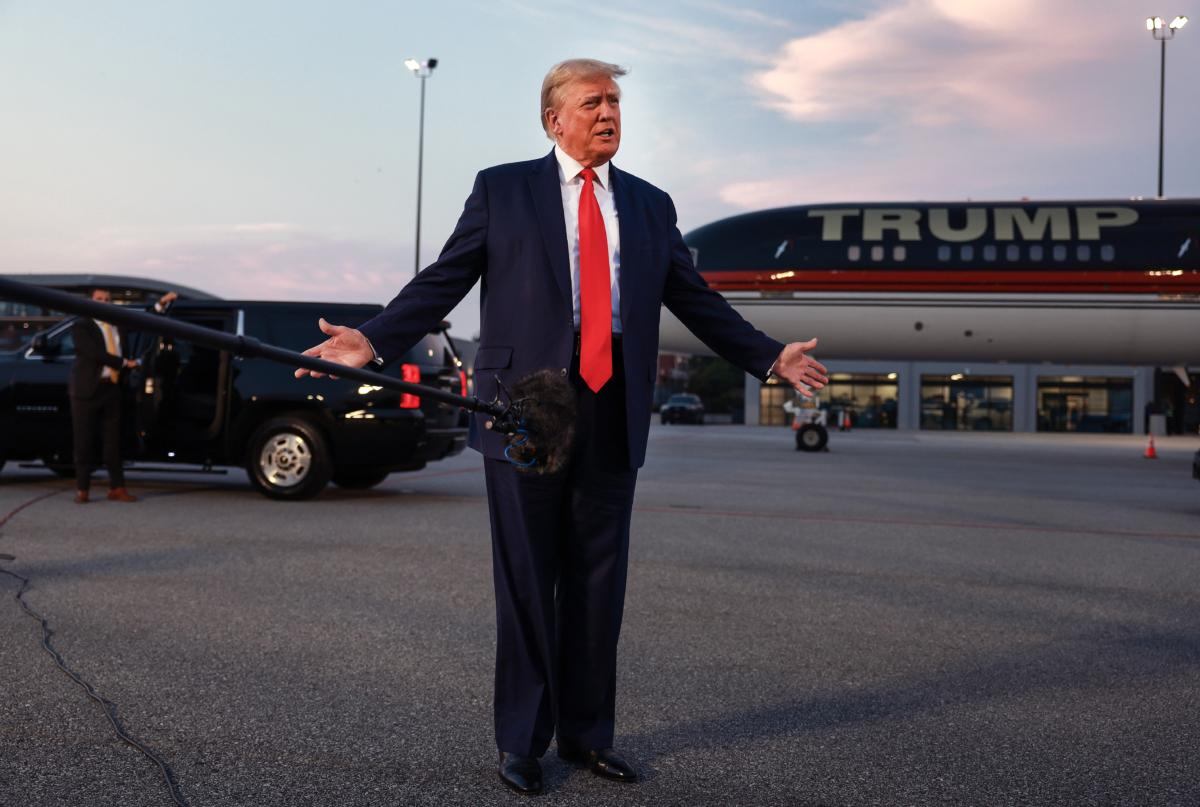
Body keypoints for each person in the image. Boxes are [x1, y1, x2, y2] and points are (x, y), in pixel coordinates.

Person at [296, 59, 828, 796]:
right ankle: (521, 739)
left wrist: (768, 354)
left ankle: (585, 736)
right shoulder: (503, 189)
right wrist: (376, 338)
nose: (609, 112)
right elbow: (445, 277)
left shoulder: (648, 205)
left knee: (596, 583)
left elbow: (695, 299)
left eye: (615, 101)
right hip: (524, 407)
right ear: (555, 119)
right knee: (526, 581)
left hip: (612, 407)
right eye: (593, 102)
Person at [69, 288, 177, 503]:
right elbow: (94, 353)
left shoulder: (117, 323)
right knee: (84, 440)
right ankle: (82, 489)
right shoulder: (81, 326)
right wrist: (124, 363)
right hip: (87, 390)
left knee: (113, 441)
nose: (103, 303)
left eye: (107, 300)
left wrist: (160, 304)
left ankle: (116, 487)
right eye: (99, 299)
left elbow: (141, 322)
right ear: (90, 301)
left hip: (113, 388)